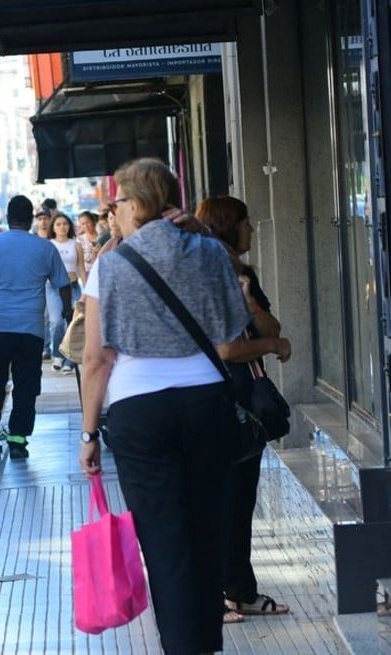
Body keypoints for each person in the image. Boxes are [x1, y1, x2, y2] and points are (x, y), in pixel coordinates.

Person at [79, 158, 251, 655]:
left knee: (164, 541)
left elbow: (95, 358)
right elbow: (230, 323)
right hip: (205, 403)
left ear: (135, 204)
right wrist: (200, 234)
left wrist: (90, 434)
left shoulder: (110, 264)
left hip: (139, 412)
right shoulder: (208, 252)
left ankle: (183, 648)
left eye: (118, 203)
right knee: (207, 531)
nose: (114, 213)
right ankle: (206, 644)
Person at [197, 196, 293, 625]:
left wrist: (252, 301)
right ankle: (212, 595)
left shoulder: (241, 274)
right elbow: (228, 348)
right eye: (246, 223)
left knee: (240, 501)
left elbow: (272, 326)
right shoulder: (205, 275)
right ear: (227, 226)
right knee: (217, 504)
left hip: (245, 406)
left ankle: (240, 591)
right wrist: (271, 346)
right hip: (216, 402)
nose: (252, 230)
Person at [0, 195, 71, 463]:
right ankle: (18, 442)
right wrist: (68, 311)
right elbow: (63, 284)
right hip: (30, 331)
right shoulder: (44, 248)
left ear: (8, 217)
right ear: (31, 218)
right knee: (26, 387)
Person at [48, 214, 85, 374]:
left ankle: (70, 361)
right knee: (56, 322)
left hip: (73, 287)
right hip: (53, 288)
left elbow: (81, 268)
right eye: (58, 224)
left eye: (65, 224)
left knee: (73, 322)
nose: (62, 227)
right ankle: (57, 354)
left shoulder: (76, 245)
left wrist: (88, 288)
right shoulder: (49, 245)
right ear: (53, 227)